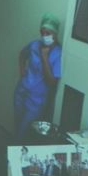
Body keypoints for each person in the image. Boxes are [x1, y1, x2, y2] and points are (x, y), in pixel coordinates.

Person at [13, 13, 62, 142]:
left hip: (37, 100)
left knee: (24, 131)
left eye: (48, 33)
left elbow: (52, 82)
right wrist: (22, 70)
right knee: (17, 125)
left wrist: (45, 57)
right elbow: (22, 54)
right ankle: (13, 148)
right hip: (22, 91)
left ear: (55, 34)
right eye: (42, 32)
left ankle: (18, 150)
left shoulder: (58, 54)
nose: (44, 36)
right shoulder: (35, 45)